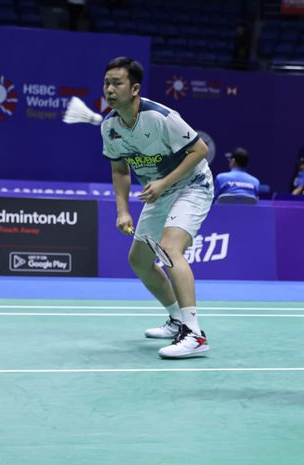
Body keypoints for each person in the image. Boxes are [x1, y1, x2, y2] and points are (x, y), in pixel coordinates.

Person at [100, 57, 212, 358]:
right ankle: (177, 319)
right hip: (159, 192)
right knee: (139, 260)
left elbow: (200, 150)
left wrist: (163, 183)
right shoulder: (109, 126)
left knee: (170, 248)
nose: (110, 89)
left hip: (192, 185)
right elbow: (120, 171)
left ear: (135, 88)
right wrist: (122, 211)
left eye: (117, 83)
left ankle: (195, 333)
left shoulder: (161, 116)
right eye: (107, 83)